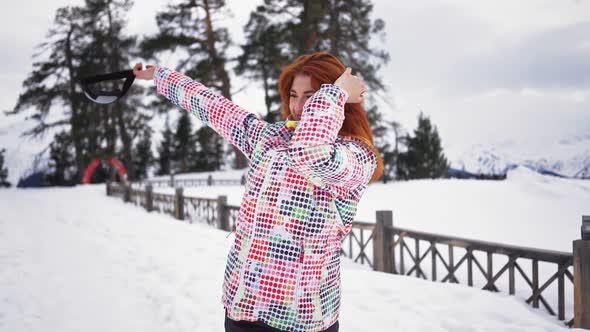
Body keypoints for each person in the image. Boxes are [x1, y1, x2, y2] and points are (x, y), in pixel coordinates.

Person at [133, 52, 384, 332]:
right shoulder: (270, 139)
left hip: (299, 319)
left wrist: (335, 92)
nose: (299, 106)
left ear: (340, 102)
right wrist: (159, 75)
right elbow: (213, 106)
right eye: (293, 95)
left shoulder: (356, 156)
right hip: (244, 307)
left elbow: (311, 153)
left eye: (312, 96)